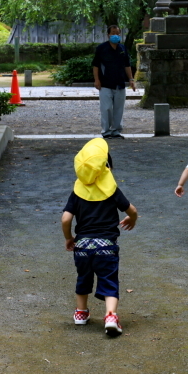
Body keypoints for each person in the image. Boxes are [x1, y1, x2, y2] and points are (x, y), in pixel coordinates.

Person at [61, 138, 139, 336]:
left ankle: (81, 313)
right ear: (108, 168)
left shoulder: (77, 192)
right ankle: (111, 316)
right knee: (109, 280)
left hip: (83, 246)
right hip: (107, 246)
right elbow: (132, 210)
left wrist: (69, 238)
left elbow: (65, 219)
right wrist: (132, 219)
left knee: (83, 278)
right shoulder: (111, 190)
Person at [92, 25, 136, 139]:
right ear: (108, 35)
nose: (115, 35)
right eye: (113, 33)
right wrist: (97, 80)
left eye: (117, 33)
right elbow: (96, 65)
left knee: (119, 108)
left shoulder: (122, 48)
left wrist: (131, 79)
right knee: (106, 108)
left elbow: (127, 65)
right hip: (105, 83)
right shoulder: (102, 48)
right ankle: (106, 131)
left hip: (120, 83)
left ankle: (116, 130)